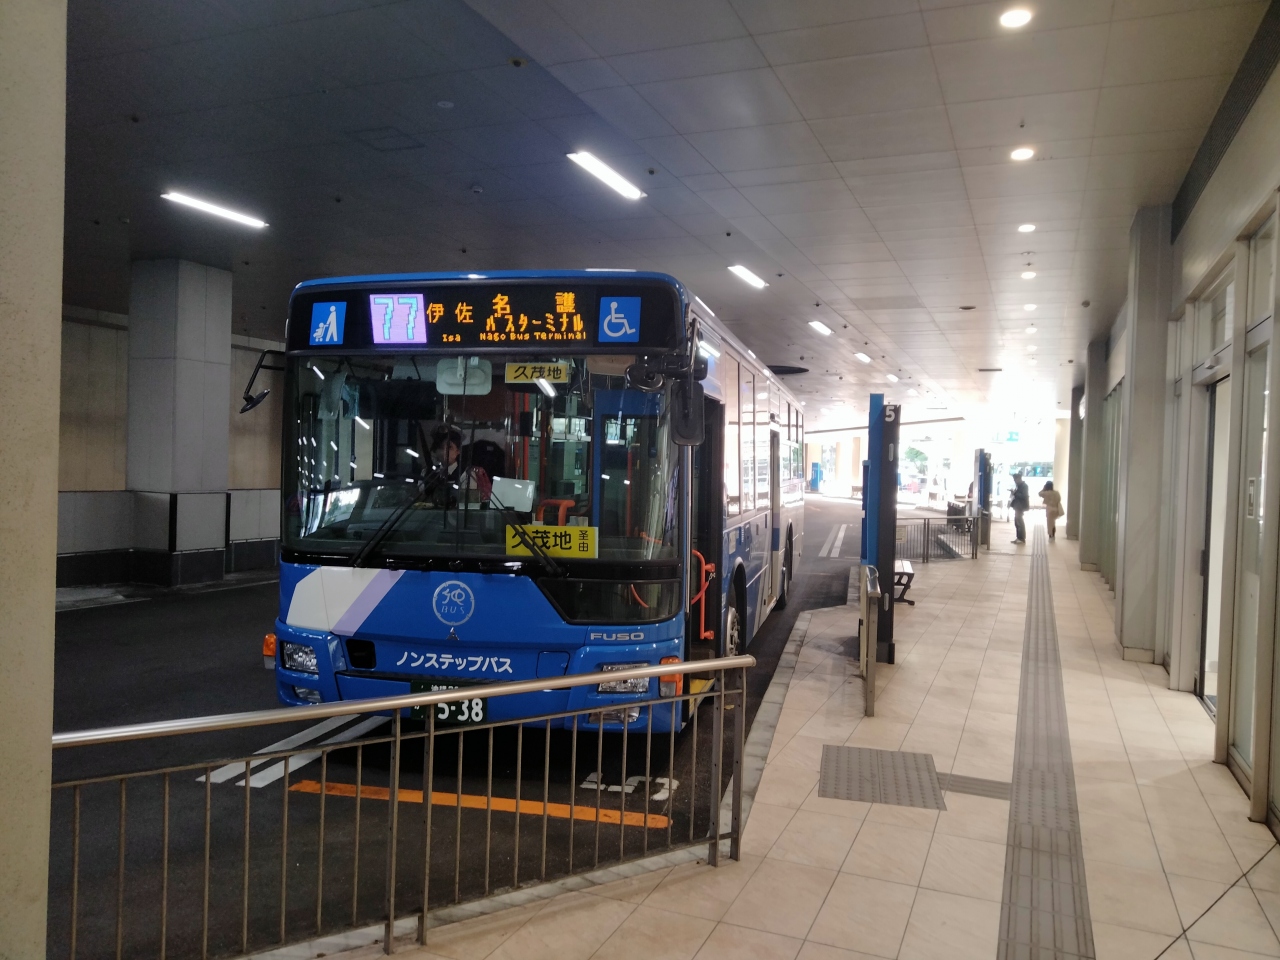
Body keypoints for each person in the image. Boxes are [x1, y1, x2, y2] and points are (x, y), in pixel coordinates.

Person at [430, 425, 491, 503]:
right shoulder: (429, 473)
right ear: (435, 450)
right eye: (440, 447)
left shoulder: (466, 475)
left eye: (449, 447)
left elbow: (469, 504)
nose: (445, 451)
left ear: (458, 451)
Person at [1009, 472, 1030, 544]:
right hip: (1018, 506)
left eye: (1015, 479)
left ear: (1019, 478)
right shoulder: (1019, 486)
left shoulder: (1024, 486)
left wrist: (1015, 493)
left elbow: (1024, 496)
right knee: (1017, 522)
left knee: (1019, 522)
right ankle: (1018, 537)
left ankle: (1021, 538)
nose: (1015, 481)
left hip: (1020, 506)